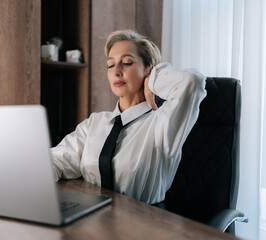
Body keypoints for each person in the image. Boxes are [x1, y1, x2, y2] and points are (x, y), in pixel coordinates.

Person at [51, 30, 207, 205]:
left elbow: (192, 82)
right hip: (92, 217)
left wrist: (153, 80)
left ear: (149, 69)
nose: (116, 71)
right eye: (110, 65)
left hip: (142, 223)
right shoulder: (94, 123)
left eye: (127, 62)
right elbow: (57, 159)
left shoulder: (162, 123)